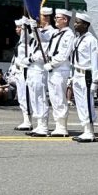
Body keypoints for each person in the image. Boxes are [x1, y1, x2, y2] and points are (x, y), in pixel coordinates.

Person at [70, 12, 98, 142]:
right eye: (75, 22)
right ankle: (85, 130)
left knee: (87, 103)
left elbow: (95, 61)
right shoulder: (77, 39)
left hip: (87, 76)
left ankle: (90, 132)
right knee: (80, 104)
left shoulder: (91, 40)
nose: (75, 24)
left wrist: (95, 80)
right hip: (77, 74)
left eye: (78, 22)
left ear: (85, 25)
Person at [43, 8, 74, 137]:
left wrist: (50, 64)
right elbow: (42, 37)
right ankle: (58, 124)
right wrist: (32, 27)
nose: (55, 20)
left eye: (57, 18)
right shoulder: (56, 33)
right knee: (54, 98)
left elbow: (63, 55)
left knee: (59, 97)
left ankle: (62, 126)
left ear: (65, 20)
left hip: (60, 69)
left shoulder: (68, 35)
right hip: (52, 69)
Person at [10, 18, 33, 130]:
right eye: (17, 27)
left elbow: (28, 37)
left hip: (25, 71)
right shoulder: (20, 41)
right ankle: (25, 120)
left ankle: (28, 121)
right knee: (22, 97)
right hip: (18, 71)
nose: (17, 29)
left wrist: (26, 25)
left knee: (26, 96)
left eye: (19, 27)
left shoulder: (28, 40)